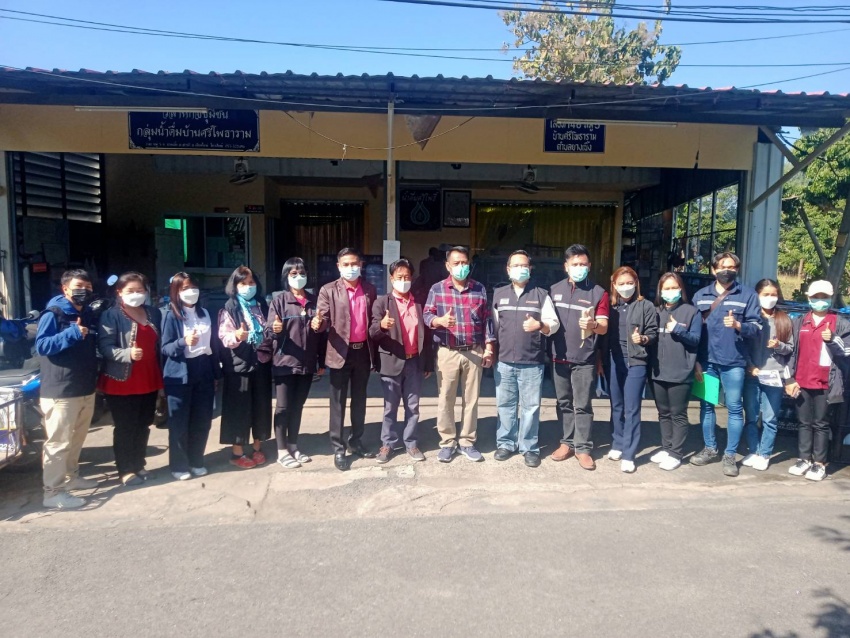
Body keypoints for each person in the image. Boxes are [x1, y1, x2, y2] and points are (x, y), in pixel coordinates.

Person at [690, 252, 761, 477]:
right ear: (713, 270)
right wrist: (695, 361)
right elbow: (693, 331)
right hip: (707, 362)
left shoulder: (748, 295)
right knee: (707, 405)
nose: (727, 271)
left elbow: (756, 328)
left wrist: (739, 325)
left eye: (731, 267)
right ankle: (710, 448)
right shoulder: (700, 296)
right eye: (722, 267)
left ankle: (730, 455)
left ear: (737, 270)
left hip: (734, 362)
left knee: (734, 408)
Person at [423, 245, 495, 463]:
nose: (461, 267)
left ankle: (467, 441)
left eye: (464, 263)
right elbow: (426, 315)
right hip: (448, 352)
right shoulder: (437, 289)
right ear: (448, 266)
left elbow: (487, 320)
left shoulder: (479, 288)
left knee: (471, 399)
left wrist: (489, 347)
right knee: (446, 398)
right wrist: (439, 321)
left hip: (474, 350)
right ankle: (447, 442)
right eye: (457, 263)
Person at [35, 269, 99, 509]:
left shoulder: (86, 313)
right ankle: (53, 493)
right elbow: (42, 346)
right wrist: (71, 333)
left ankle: (71, 477)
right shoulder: (53, 313)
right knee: (58, 443)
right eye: (79, 286)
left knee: (77, 438)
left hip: (84, 386)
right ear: (65, 289)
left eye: (88, 287)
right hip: (60, 390)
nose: (84, 291)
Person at [492, 250, 559, 468]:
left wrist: (540, 325)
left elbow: (553, 324)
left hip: (532, 361)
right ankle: (506, 443)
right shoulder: (499, 294)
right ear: (508, 269)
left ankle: (529, 447)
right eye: (515, 266)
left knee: (530, 407)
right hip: (504, 361)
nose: (520, 269)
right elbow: (494, 327)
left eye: (524, 266)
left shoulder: (541, 295)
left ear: (530, 269)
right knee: (505, 405)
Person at [314, 248, 378, 471]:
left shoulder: (369, 289)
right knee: (338, 402)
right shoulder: (328, 290)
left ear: (360, 265)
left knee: (359, 399)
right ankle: (338, 447)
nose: (351, 268)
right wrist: (318, 323)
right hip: (340, 352)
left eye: (354, 264)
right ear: (338, 267)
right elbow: (322, 319)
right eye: (346, 264)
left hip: (362, 352)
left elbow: (373, 320)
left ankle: (356, 441)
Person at [97, 271, 163, 486]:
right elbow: (105, 347)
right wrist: (127, 354)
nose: (136, 294)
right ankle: (125, 469)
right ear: (119, 292)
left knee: (144, 424)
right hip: (122, 379)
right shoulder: (111, 315)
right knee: (126, 426)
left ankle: (139, 464)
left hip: (149, 377)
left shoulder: (153, 313)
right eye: (130, 291)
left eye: (140, 290)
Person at [549, 244, 609, 470]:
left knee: (582, 404)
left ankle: (583, 448)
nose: (579, 267)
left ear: (589, 266)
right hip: (559, 356)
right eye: (574, 264)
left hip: (584, 359)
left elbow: (603, 326)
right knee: (564, 403)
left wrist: (593, 325)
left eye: (583, 264)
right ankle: (567, 443)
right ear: (566, 266)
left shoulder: (598, 293)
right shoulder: (554, 290)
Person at [370, 258, 433, 464]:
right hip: (391, 362)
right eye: (399, 277)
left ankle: (411, 443)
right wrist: (382, 325)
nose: (403, 281)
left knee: (412, 407)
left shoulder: (419, 303)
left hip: (414, 362)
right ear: (391, 279)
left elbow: (427, 336)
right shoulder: (382, 303)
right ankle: (387, 444)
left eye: (407, 277)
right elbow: (372, 332)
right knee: (390, 407)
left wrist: (427, 363)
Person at [785, 280, 850, 482]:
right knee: (804, 422)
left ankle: (819, 463)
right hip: (801, 381)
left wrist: (832, 339)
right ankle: (804, 459)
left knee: (821, 423)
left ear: (831, 298)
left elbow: (847, 352)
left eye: (824, 297)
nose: (820, 301)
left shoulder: (840, 322)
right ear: (809, 298)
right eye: (816, 297)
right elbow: (790, 353)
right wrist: (790, 378)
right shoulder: (800, 322)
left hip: (825, 383)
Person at [266, 258, 326, 469]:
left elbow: (322, 334)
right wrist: (274, 329)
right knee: (283, 407)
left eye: (302, 273)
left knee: (297, 406)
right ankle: (282, 450)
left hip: (307, 363)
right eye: (293, 274)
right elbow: (269, 331)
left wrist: (321, 360)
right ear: (286, 276)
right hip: (285, 362)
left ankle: (293, 445)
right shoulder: (279, 301)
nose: (298, 277)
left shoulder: (314, 301)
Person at [160, 273, 220, 481]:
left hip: (204, 370)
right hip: (180, 374)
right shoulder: (170, 315)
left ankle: (196, 461)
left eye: (194, 287)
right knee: (179, 423)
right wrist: (183, 342)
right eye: (185, 288)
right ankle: (179, 465)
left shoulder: (205, 313)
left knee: (202, 420)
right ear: (176, 292)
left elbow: (213, 345)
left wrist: (216, 374)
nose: (191, 292)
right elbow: (165, 348)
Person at [604, 266, 658, 473]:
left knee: (632, 408)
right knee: (616, 405)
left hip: (636, 361)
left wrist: (643, 338)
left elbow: (653, 332)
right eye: (621, 284)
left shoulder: (646, 306)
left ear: (636, 284)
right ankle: (617, 442)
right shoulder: (611, 307)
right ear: (614, 285)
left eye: (629, 283)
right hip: (614, 359)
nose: (625, 287)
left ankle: (629, 453)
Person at [218, 266, 273, 469]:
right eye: (243, 283)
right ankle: (237, 453)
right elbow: (224, 337)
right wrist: (237, 336)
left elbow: (268, 329)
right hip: (239, 366)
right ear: (235, 285)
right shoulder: (230, 307)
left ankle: (257, 448)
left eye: (251, 282)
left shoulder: (261, 305)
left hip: (261, 363)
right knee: (239, 409)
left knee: (261, 406)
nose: (248, 287)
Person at [741, 279, 794, 472]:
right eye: (766, 294)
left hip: (774, 376)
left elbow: (791, 349)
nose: (770, 298)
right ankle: (753, 450)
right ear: (757, 295)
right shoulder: (751, 318)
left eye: (773, 294)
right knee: (751, 416)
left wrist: (779, 345)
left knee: (770, 418)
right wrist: (750, 366)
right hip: (753, 375)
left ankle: (765, 454)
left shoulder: (784, 319)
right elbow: (743, 345)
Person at [650, 272, 702, 471]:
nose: (670, 292)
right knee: (663, 413)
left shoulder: (692, 312)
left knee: (678, 413)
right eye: (666, 288)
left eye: (674, 288)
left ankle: (676, 453)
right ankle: (666, 447)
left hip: (680, 372)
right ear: (660, 291)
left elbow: (696, 340)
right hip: (658, 371)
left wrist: (678, 329)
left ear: (681, 289)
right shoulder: (655, 311)